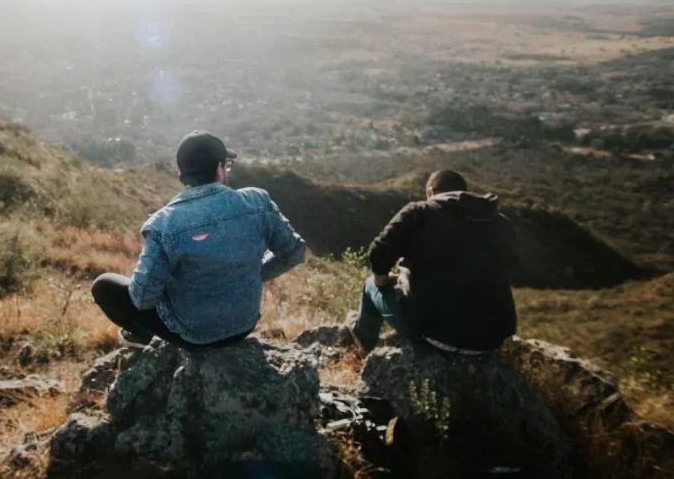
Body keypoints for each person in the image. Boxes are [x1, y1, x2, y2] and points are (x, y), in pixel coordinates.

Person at [92, 131, 308, 349]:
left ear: (182, 174)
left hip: (193, 337)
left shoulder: (162, 223)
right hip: (244, 325)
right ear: (219, 168)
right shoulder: (257, 202)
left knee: (103, 286)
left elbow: (142, 299)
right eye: (227, 165)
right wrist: (253, 273)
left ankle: (143, 336)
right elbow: (294, 252)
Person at [348, 169, 518, 355]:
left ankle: (363, 342)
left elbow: (378, 253)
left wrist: (384, 281)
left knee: (371, 284)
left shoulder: (420, 212)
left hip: (435, 335)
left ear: (430, 191)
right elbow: (511, 265)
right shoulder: (501, 223)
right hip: (492, 341)